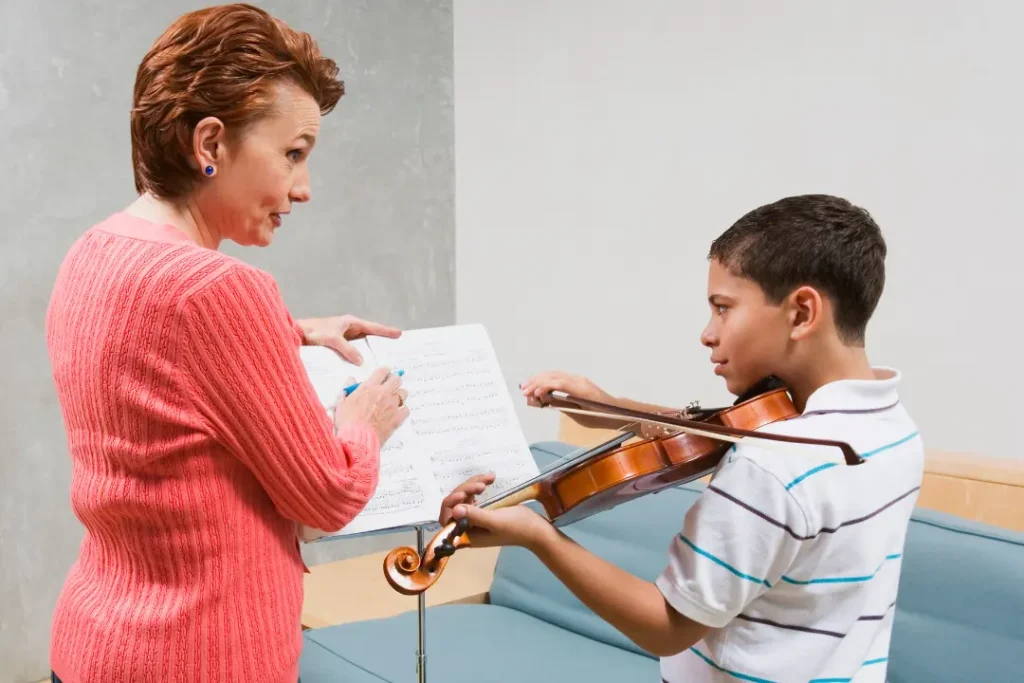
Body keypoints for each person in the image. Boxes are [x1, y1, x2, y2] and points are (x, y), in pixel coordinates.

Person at [44, 5, 408, 682]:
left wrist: (289, 330)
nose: (303, 188)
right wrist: (363, 425)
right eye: (293, 153)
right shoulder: (220, 290)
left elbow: (150, 348)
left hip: (91, 644)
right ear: (210, 145)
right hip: (199, 657)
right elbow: (327, 494)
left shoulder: (92, 252)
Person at [441, 195, 923, 683]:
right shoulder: (890, 428)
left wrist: (537, 536)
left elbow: (667, 625)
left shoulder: (774, 468)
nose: (707, 334)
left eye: (723, 308)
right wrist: (611, 408)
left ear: (801, 312)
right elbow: (724, 428)